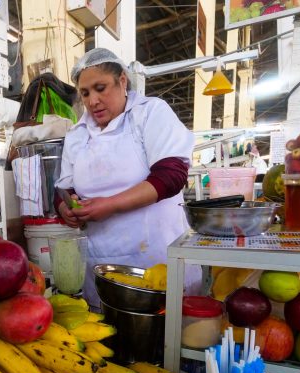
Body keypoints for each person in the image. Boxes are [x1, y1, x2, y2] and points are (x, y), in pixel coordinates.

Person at [54, 48, 201, 307]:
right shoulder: (77, 135)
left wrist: (109, 205)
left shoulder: (150, 113)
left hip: (155, 264)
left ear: (122, 81)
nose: (93, 101)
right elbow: (64, 189)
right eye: (85, 93)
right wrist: (66, 207)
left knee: (162, 338)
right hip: (101, 265)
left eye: (101, 88)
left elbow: (171, 176)